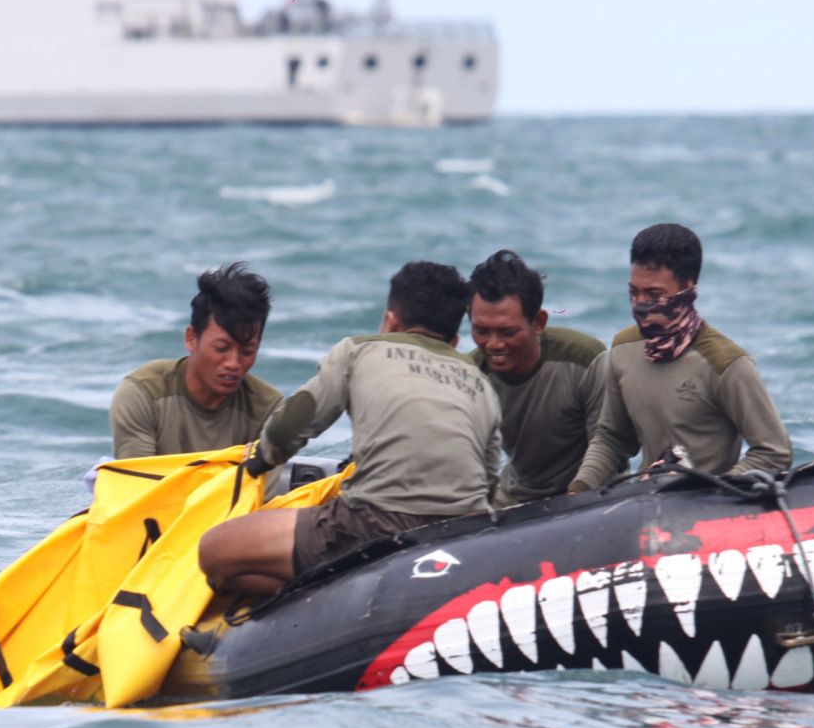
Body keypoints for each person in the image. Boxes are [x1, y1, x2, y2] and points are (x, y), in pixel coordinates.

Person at [198, 261, 501, 596]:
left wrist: (261, 460)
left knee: (214, 551)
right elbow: (490, 480)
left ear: (390, 320)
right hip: (463, 534)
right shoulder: (479, 380)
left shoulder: (358, 351)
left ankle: (324, 601)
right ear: (455, 338)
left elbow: (290, 429)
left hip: (373, 524)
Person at [570, 223, 792, 492]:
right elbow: (612, 439)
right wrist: (578, 491)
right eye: (634, 292)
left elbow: (774, 453)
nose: (640, 304)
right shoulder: (624, 349)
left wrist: (719, 490)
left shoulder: (727, 364)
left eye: (654, 294)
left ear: (688, 290)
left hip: (707, 507)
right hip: (645, 500)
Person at [466, 249, 611, 504]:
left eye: (508, 332)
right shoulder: (471, 378)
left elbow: (609, 442)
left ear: (538, 323)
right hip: (516, 499)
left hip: (593, 495)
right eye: (481, 331)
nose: (494, 344)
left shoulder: (585, 359)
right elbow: (469, 461)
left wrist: (579, 493)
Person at [110, 262, 281, 460]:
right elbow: (136, 485)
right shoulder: (143, 393)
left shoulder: (269, 411)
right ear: (191, 338)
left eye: (247, 350)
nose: (234, 363)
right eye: (221, 348)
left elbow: (261, 487)